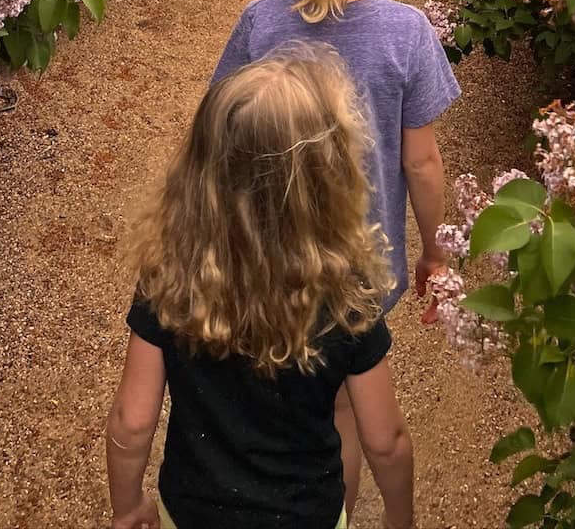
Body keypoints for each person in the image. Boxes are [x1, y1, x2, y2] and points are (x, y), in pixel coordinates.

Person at [210, 0, 460, 516]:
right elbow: (422, 163)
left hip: (265, 251)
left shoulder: (261, 23)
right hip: (359, 264)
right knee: (343, 410)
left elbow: (222, 134)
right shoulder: (407, 34)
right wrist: (436, 251)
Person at [105, 51, 415, 529]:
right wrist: (400, 517)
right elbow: (384, 439)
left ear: (201, 167)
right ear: (330, 173)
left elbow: (132, 419)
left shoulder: (170, 271)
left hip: (191, 513)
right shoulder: (346, 290)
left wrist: (127, 506)